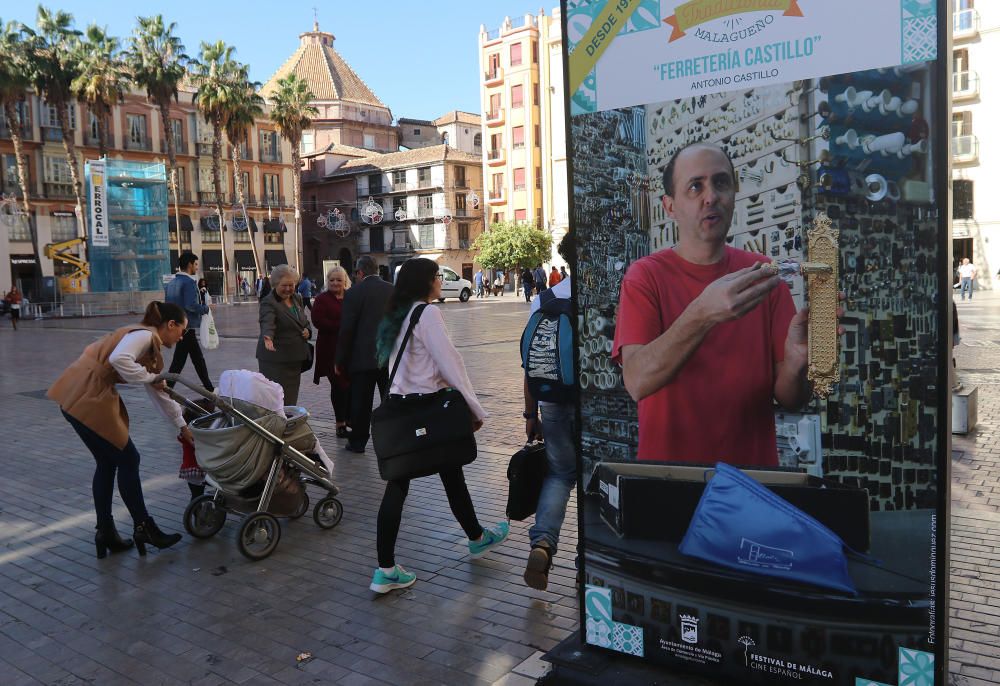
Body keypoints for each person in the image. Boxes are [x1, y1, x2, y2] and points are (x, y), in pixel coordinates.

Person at [612, 142, 811, 467]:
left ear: (734, 193)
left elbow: (792, 398)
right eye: (695, 186)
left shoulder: (762, 275)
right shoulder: (645, 277)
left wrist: (796, 365)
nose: (711, 196)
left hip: (751, 483)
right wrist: (702, 313)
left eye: (721, 183)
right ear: (670, 206)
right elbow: (636, 381)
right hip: (671, 484)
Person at [369, 258, 509, 593]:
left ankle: (473, 536)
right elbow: (450, 363)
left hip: (403, 410)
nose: (439, 282)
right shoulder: (427, 313)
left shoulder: (398, 313)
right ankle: (388, 568)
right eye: (436, 276)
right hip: (426, 410)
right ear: (426, 282)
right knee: (438, 472)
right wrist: (474, 409)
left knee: (432, 474)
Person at [47, 301, 187, 558]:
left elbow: (160, 393)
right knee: (128, 458)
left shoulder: (147, 341)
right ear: (170, 325)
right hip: (89, 394)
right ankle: (143, 526)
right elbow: (119, 359)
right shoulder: (145, 335)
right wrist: (149, 378)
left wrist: (181, 425)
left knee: (108, 462)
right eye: (182, 329)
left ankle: (106, 532)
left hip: (77, 391)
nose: (182, 336)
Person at [522, 233, 576, 591]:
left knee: (559, 474)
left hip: (552, 400)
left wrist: (530, 416)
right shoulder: (612, 292)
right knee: (597, 479)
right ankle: (588, 557)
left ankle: (542, 543)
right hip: (596, 403)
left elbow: (529, 365)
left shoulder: (544, 299)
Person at [336, 256, 394, 453]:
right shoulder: (391, 289)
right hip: (388, 358)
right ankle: (393, 438)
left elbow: (347, 330)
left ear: (360, 273)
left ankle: (358, 442)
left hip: (361, 359)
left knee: (361, 403)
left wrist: (340, 359)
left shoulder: (353, 293)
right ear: (377, 270)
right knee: (390, 399)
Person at [257, 264, 313, 405]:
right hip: (275, 360)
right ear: (275, 284)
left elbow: (303, 321)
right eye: (284, 285)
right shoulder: (268, 302)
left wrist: (308, 330)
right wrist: (267, 337)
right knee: (276, 400)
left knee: (290, 399)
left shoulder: (297, 298)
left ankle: (288, 424)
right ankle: (277, 426)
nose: (288, 289)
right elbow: (267, 321)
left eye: (291, 285)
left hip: (294, 359)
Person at [164, 252, 214, 392]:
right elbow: (191, 305)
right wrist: (205, 309)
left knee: (193, 359)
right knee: (184, 361)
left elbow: (168, 305)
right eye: (195, 264)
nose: (196, 267)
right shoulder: (189, 283)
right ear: (189, 264)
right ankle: (168, 388)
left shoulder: (171, 283)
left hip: (178, 326)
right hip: (187, 326)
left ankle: (209, 387)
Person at [312, 266, 352, 438]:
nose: (335, 283)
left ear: (345, 281)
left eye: (338, 279)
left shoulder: (351, 297)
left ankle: (350, 419)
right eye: (332, 280)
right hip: (330, 350)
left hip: (350, 350)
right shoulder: (321, 299)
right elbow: (318, 321)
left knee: (350, 387)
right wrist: (343, 327)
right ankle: (340, 423)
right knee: (338, 386)